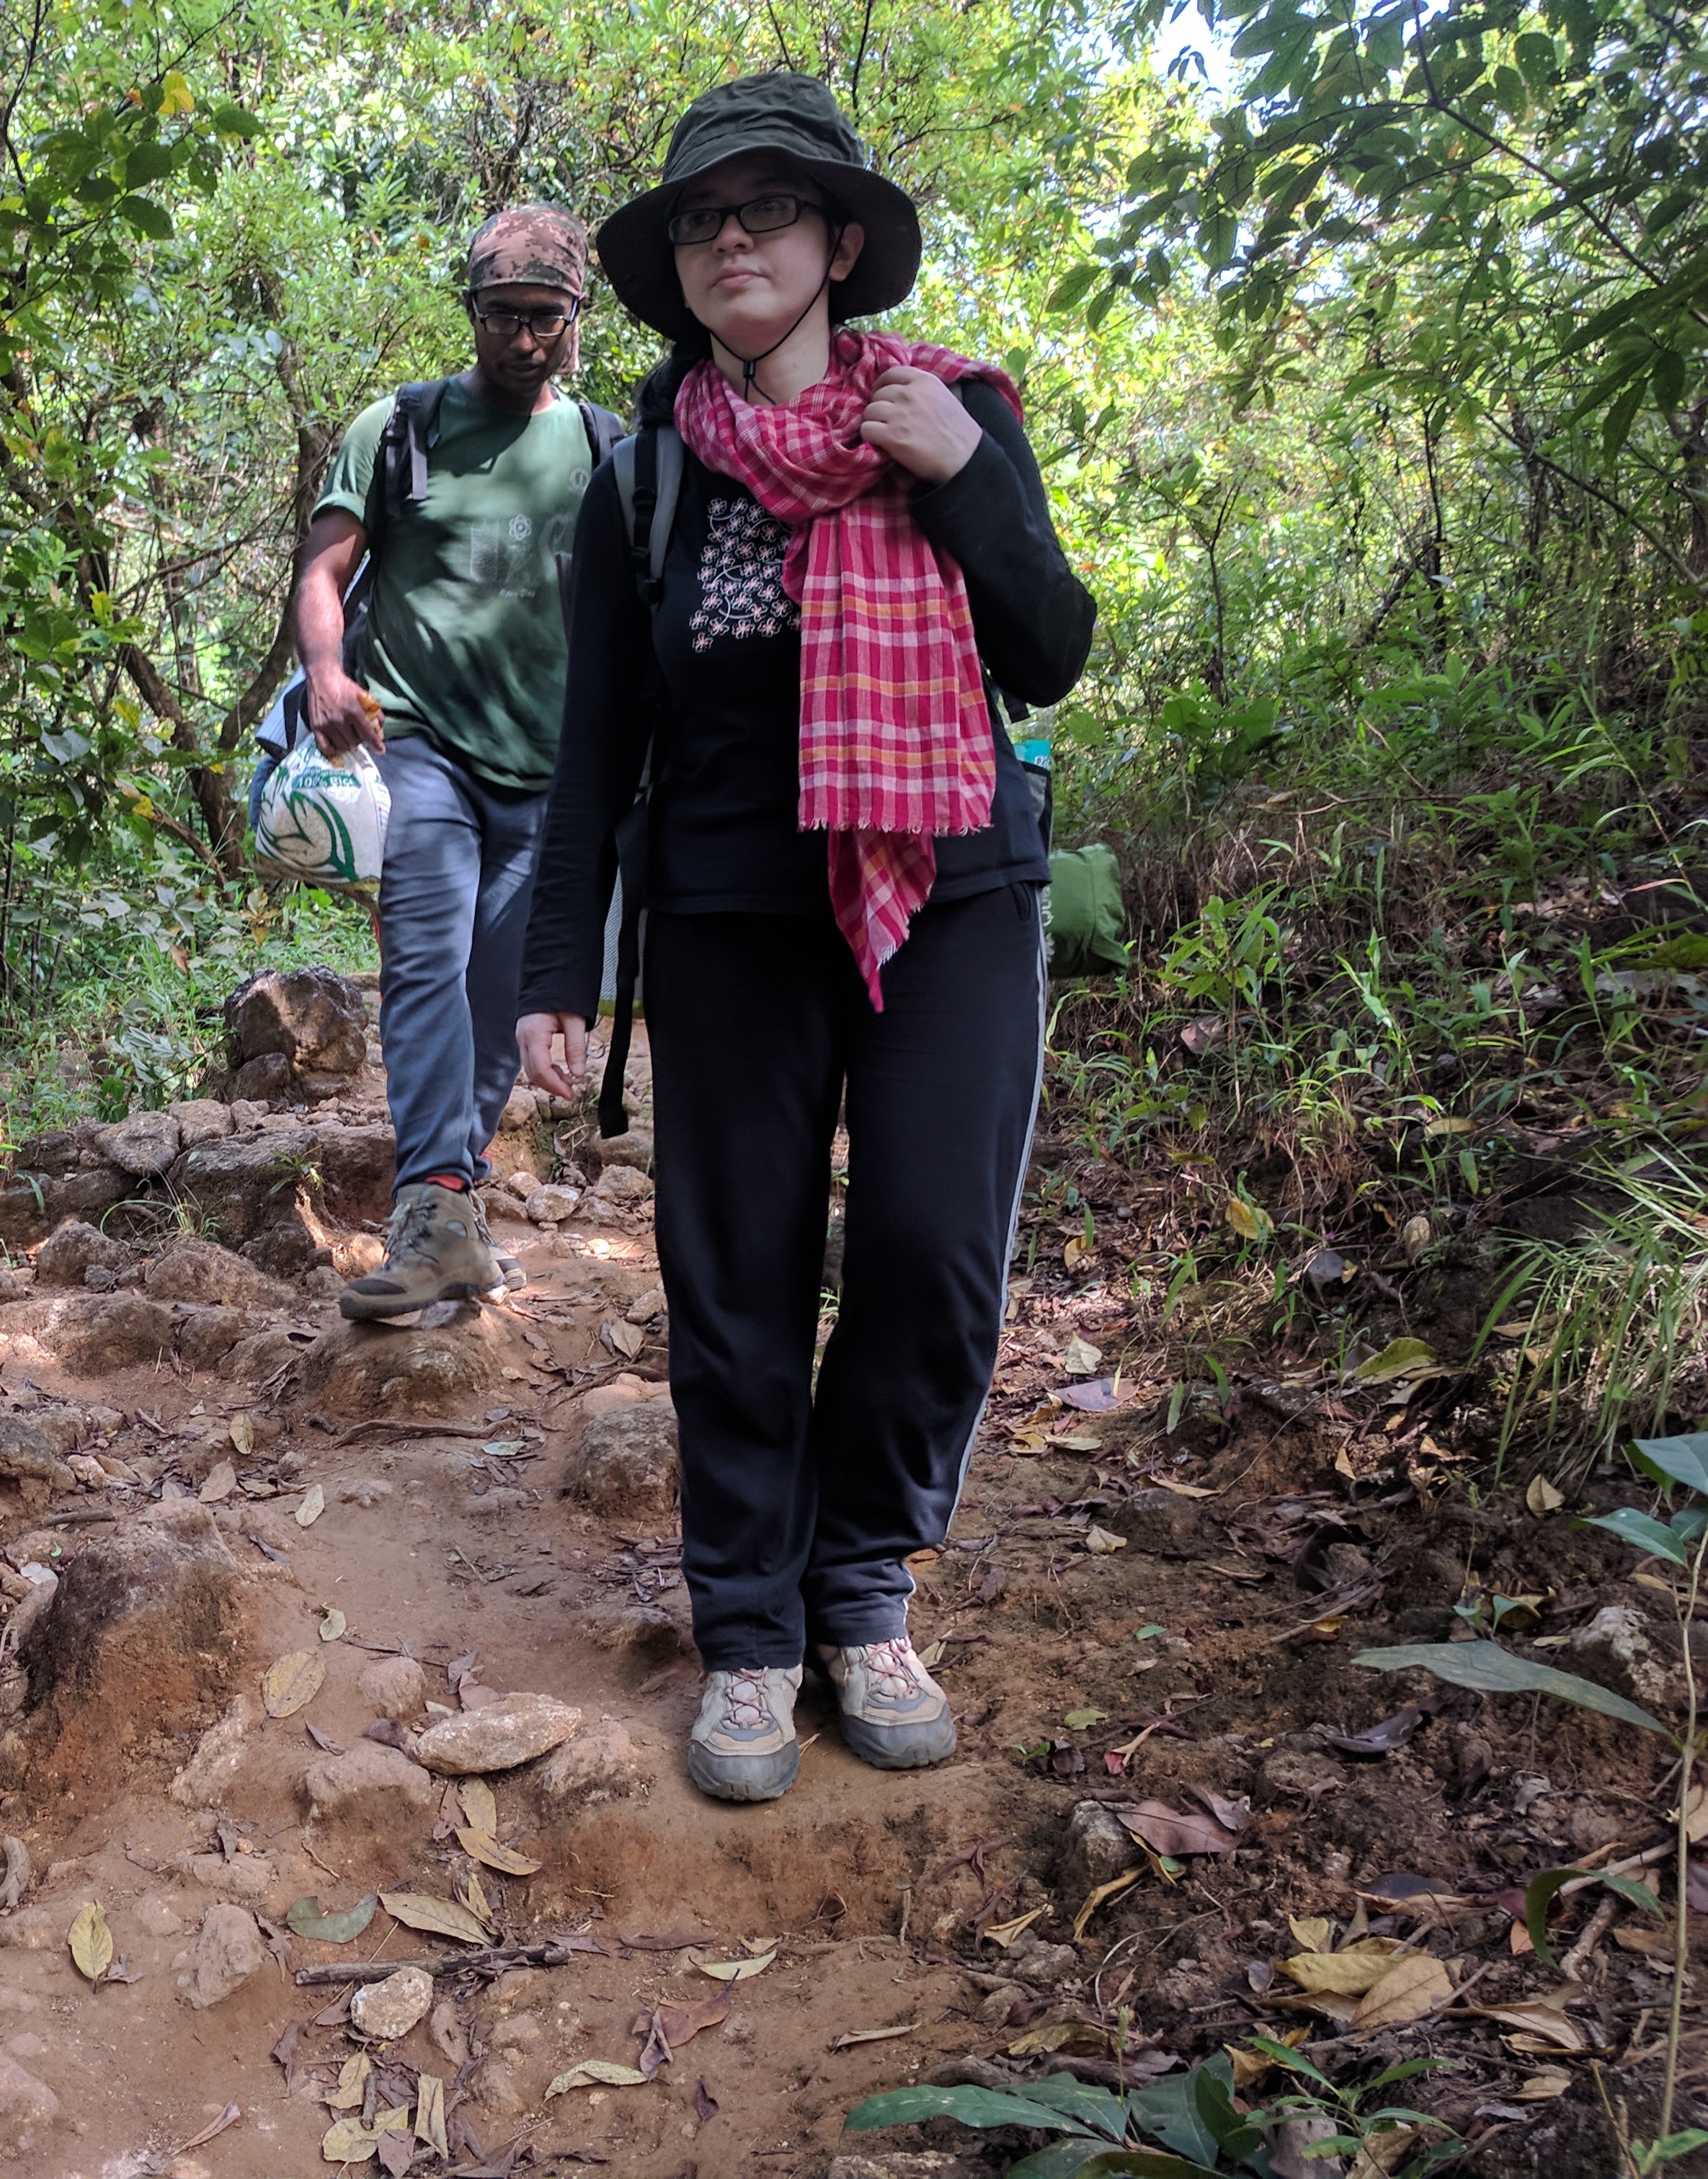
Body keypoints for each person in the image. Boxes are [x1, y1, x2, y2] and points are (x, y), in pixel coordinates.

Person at [515, 75, 1096, 1804]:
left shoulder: (960, 408)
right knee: (739, 1276)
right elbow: (595, 738)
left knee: (930, 1250)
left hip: (956, 894)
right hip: (726, 914)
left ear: (842, 244)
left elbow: (1052, 650)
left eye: (766, 211)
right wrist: (559, 970)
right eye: (703, 219)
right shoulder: (649, 476)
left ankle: (865, 1586)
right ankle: (755, 1627)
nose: (731, 241)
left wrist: (967, 484)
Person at [293, 205, 622, 1320]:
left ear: (577, 319)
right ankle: (432, 1200)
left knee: (501, 997)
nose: (525, 339)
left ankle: (457, 1208)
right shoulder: (400, 428)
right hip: (421, 741)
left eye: (546, 317)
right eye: (502, 316)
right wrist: (329, 674)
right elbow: (323, 570)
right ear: (470, 311)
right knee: (428, 961)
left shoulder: (604, 447)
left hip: (553, 768)